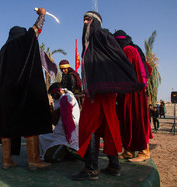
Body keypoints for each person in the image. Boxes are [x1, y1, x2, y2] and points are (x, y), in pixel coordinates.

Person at [72, 11, 143, 181]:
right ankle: (114, 165)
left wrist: (96, 85)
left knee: (89, 126)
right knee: (108, 126)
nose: (84, 22)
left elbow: (110, 62)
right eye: (83, 19)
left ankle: (91, 168)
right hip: (105, 91)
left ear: (96, 22)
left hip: (98, 92)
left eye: (88, 19)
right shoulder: (103, 38)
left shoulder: (100, 36)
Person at [0, 8, 52, 170]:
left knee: (8, 126)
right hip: (23, 93)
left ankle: (7, 160)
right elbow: (34, 32)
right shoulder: (21, 42)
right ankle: (34, 161)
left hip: (6, 95)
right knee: (30, 123)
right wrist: (42, 15)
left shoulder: (4, 50)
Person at [114, 30, 153, 162]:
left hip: (133, 94)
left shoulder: (128, 50)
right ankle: (129, 150)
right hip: (127, 93)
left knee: (137, 120)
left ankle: (144, 151)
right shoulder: (131, 49)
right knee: (126, 121)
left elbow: (123, 71)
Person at [39, 82, 80, 162]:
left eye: (53, 94)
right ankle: (65, 150)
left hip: (67, 134)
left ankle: (68, 149)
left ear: (58, 91)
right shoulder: (60, 99)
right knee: (42, 137)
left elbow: (67, 121)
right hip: (61, 132)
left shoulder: (66, 98)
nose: (53, 97)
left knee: (49, 157)